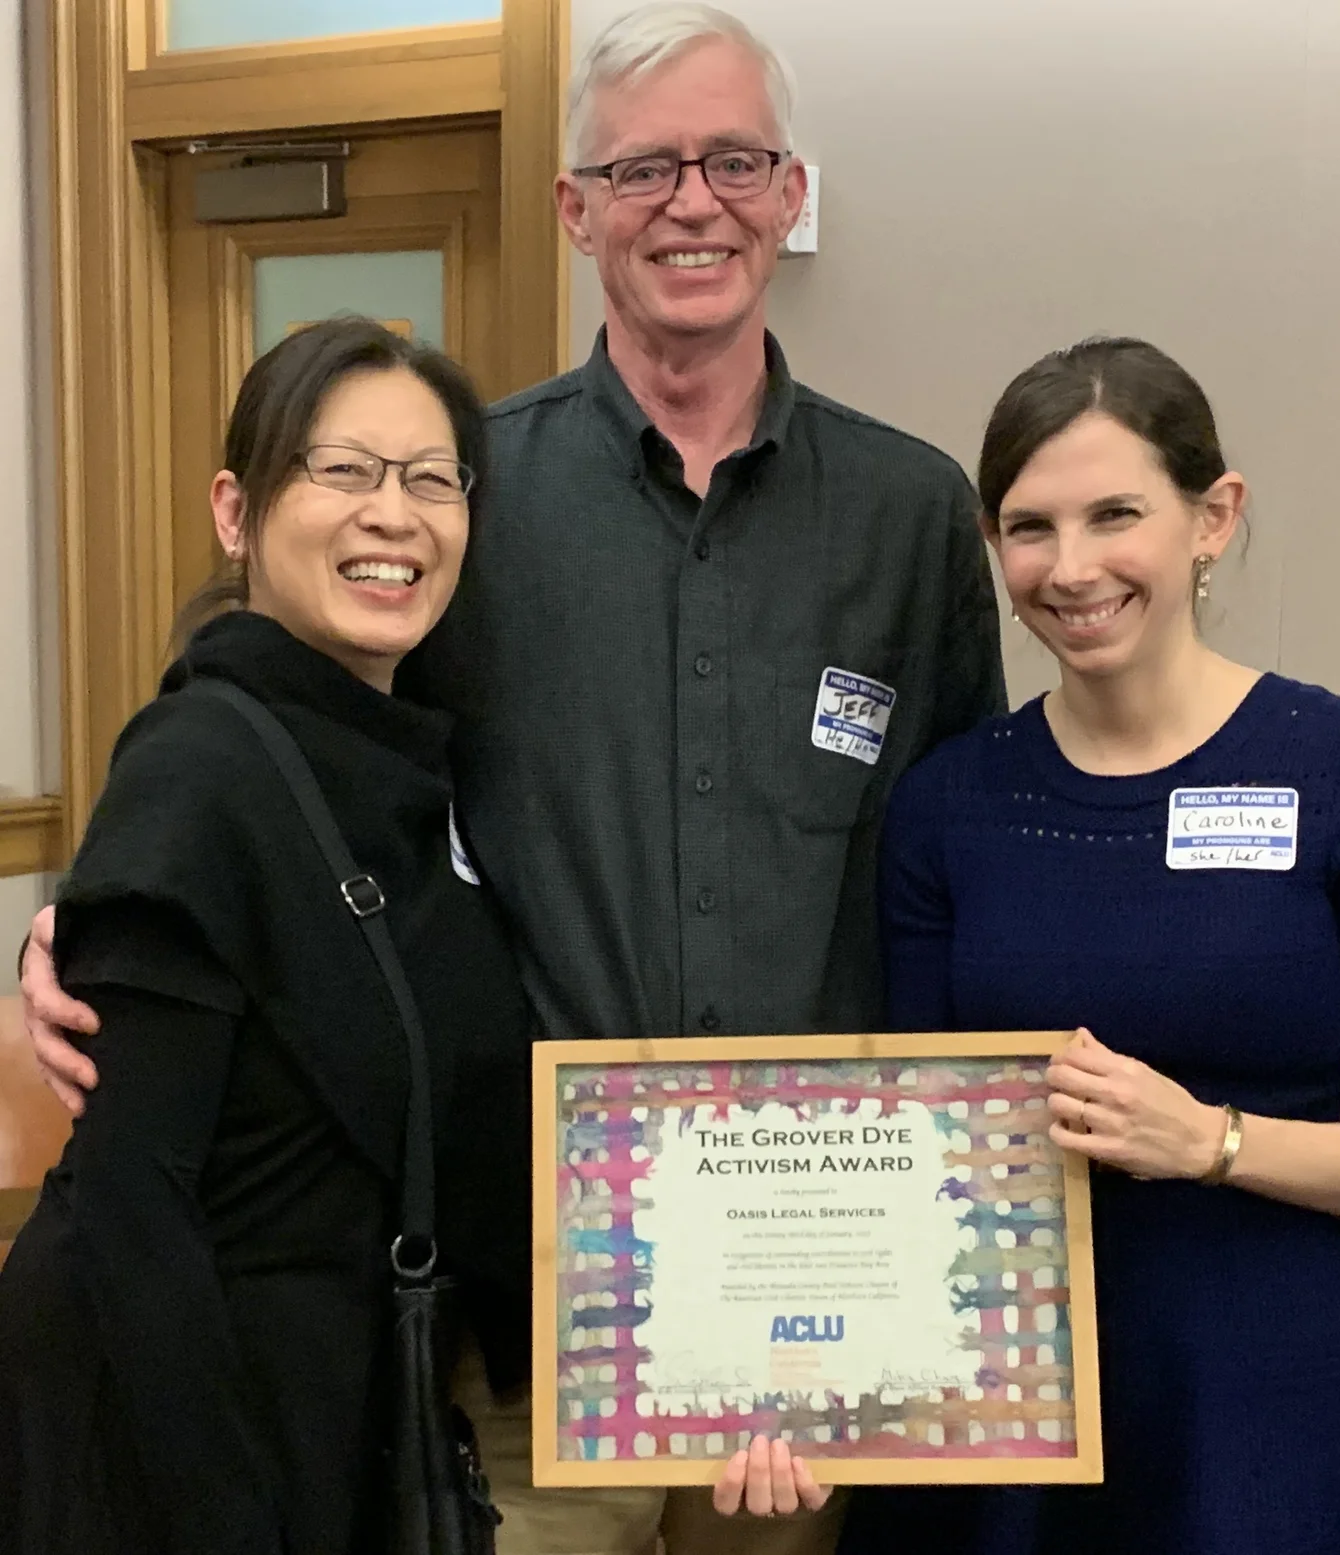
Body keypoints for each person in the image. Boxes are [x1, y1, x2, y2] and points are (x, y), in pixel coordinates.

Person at [22, 7, 1004, 1552]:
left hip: (815, 1301)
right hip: (533, 1312)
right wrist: (106, 917)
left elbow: (964, 875)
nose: (695, 200)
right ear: (576, 210)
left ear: (788, 188)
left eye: (735, 159)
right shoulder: (473, 500)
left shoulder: (910, 516)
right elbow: (293, 757)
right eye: (644, 167)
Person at [836, 337, 1340, 1555]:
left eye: (1116, 514)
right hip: (1002, 1410)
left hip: (1265, 1395)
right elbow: (907, 1139)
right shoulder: (948, 803)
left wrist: (1211, 1142)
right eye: (1030, 527)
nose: (1071, 567)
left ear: (1214, 516)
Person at [0, 318, 532, 1554]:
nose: (391, 515)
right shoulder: (202, 766)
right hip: (174, 1438)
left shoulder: (399, 763)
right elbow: (136, 1205)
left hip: (333, 1402)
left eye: (430, 478)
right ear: (236, 512)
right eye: (341, 470)